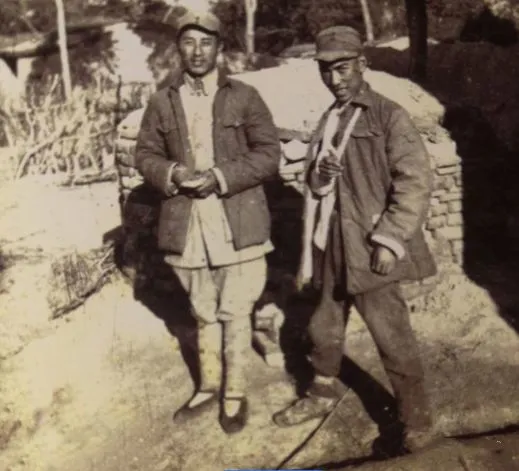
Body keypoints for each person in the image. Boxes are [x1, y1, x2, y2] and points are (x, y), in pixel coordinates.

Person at [273, 25, 439, 452]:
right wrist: (320, 176)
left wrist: (389, 239)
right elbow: (317, 181)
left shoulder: (388, 115)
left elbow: (415, 181)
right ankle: (321, 392)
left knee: (391, 335)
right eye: (326, 70)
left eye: (342, 68)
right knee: (323, 323)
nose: (334, 79)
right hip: (331, 240)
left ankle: (417, 420)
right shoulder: (331, 117)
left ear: (362, 64)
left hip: (369, 245)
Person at [135, 9, 280, 434]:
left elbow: (268, 154)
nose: (197, 51)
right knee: (203, 310)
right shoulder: (162, 101)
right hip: (188, 223)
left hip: (237, 220)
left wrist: (219, 176)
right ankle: (209, 386)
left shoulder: (245, 96)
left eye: (206, 43)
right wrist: (173, 173)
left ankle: (234, 392)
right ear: (177, 48)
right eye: (188, 42)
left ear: (219, 48)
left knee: (236, 310)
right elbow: (145, 154)